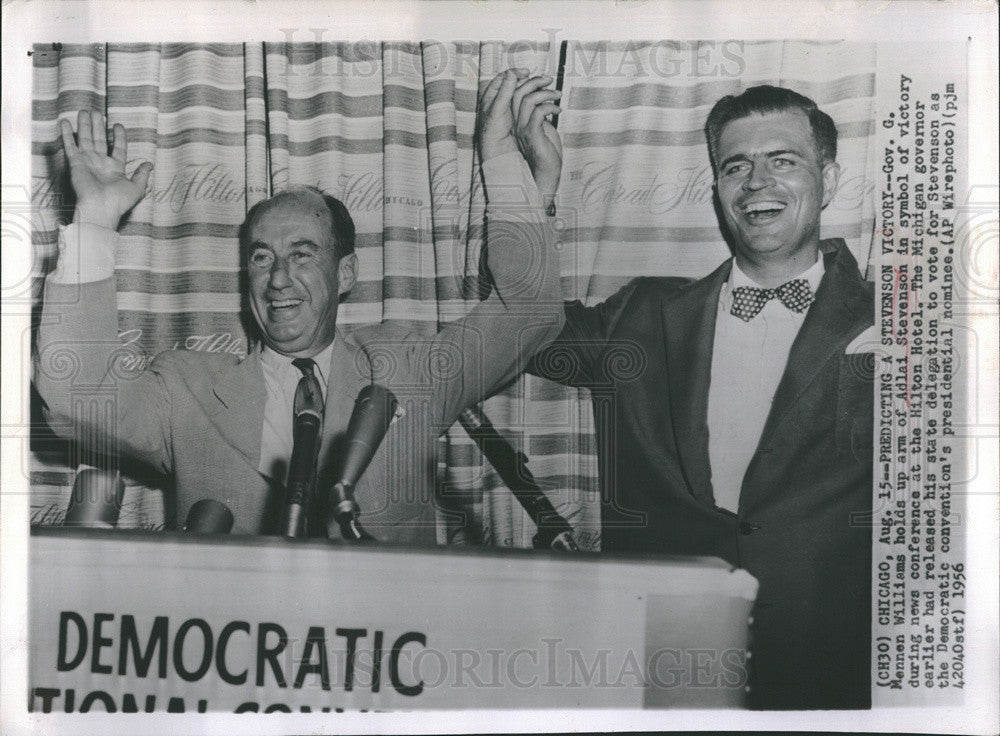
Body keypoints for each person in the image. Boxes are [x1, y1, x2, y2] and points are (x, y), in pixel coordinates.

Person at [34, 69, 565, 545]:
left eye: (302, 255)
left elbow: (531, 312)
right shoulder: (187, 388)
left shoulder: (410, 368)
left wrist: (503, 161)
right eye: (262, 258)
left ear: (346, 275)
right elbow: (74, 399)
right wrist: (96, 221)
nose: (279, 279)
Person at [519, 83, 874, 709]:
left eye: (783, 160)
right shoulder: (644, 315)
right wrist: (536, 191)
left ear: (830, 178)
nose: (757, 182)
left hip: (836, 670)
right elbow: (521, 331)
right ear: (717, 190)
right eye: (736, 166)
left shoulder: (898, 322)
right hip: (670, 660)